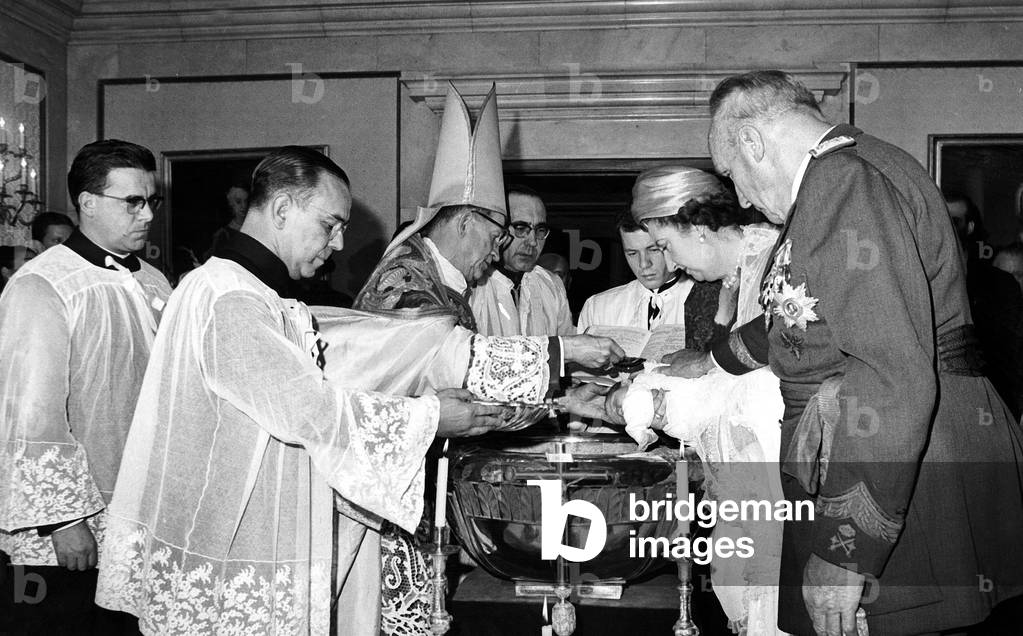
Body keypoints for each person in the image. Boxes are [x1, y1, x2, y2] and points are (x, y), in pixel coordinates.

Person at [94, 146, 574, 635]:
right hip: (235, 537)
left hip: (259, 523)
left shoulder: (258, 292)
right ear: (282, 209)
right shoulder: (229, 296)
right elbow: (310, 412)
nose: (340, 243)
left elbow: (366, 351)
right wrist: (432, 417)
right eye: (330, 224)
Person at [687, 69, 1023, 635]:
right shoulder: (848, 174)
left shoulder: (842, 185)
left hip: (897, 473)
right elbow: (807, 319)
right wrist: (715, 358)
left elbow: (888, 371)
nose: (740, 197)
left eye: (731, 175)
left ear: (752, 141)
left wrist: (847, 548)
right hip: (907, 455)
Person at [355, 84, 621, 636]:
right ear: (464, 221)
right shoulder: (406, 282)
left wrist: (566, 398)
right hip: (389, 489)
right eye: (496, 235)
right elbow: (465, 368)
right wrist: (565, 355)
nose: (497, 252)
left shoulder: (442, 278)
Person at [0, 139, 171, 634]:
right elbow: (31, 412)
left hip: (138, 501)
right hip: (74, 521)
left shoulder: (155, 280)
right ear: (88, 203)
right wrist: (64, 520)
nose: (146, 214)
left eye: (151, 201)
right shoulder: (44, 283)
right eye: (132, 202)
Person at [606, 181, 787, 635]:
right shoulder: (724, 280)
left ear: (701, 230)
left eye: (666, 245)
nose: (667, 263)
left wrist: (652, 399)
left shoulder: (776, 256)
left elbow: (760, 381)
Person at [577, 168, 732, 353]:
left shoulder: (709, 296)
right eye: (632, 253)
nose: (644, 264)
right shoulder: (598, 307)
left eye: (654, 249)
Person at [469, 185, 573, 336]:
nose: (532, 242)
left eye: (540, 230)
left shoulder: (552, 285)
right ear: (498, 229)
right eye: (520, 228)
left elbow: (567, 349)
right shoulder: (471, 285)